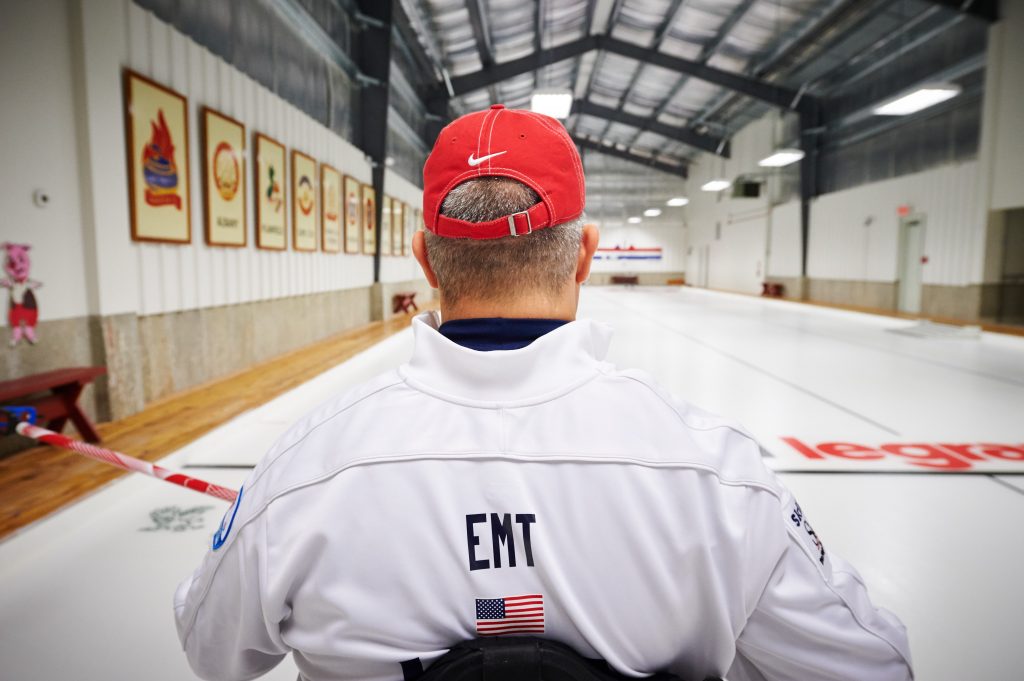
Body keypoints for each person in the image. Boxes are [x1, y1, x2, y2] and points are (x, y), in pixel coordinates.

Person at [174, 104, 913, 681]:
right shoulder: (719, 478)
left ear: (425, 259)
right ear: (585, 253)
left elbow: (210, 647)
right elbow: (870, 664)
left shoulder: (301, 471)